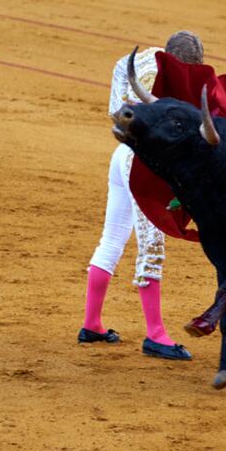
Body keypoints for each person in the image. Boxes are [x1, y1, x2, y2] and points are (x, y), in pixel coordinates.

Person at [79, 32, 206, 360]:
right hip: (142, 165)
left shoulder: (132, 62)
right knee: (151, 245)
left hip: (121, 155)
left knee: (112, 239)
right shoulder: (165, 78)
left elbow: (115, 115)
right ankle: (155, 335)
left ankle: (92, 324)